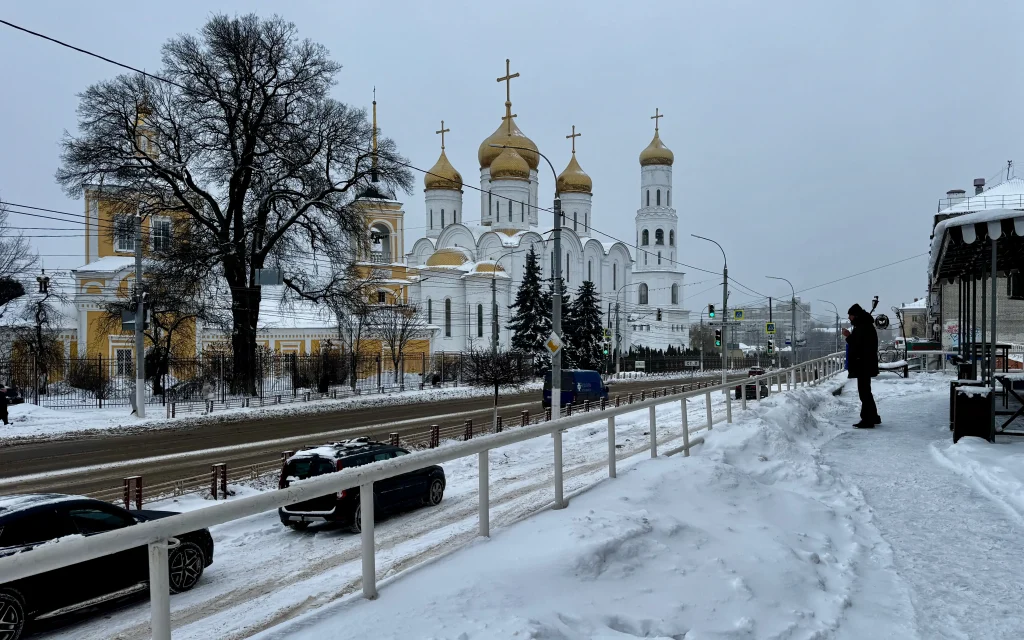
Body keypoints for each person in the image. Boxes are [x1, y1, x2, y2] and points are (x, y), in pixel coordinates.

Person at [842, 303, 880, 428]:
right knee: (866, 391)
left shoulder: (863, 326)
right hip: (866, 363)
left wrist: (848, 336)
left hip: (863, 363)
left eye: (851, 315)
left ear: (856, 315)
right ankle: (873, 417)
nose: (849, 318)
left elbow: (858, 345)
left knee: (864, 392)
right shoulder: (865, 325)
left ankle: (867, 420)